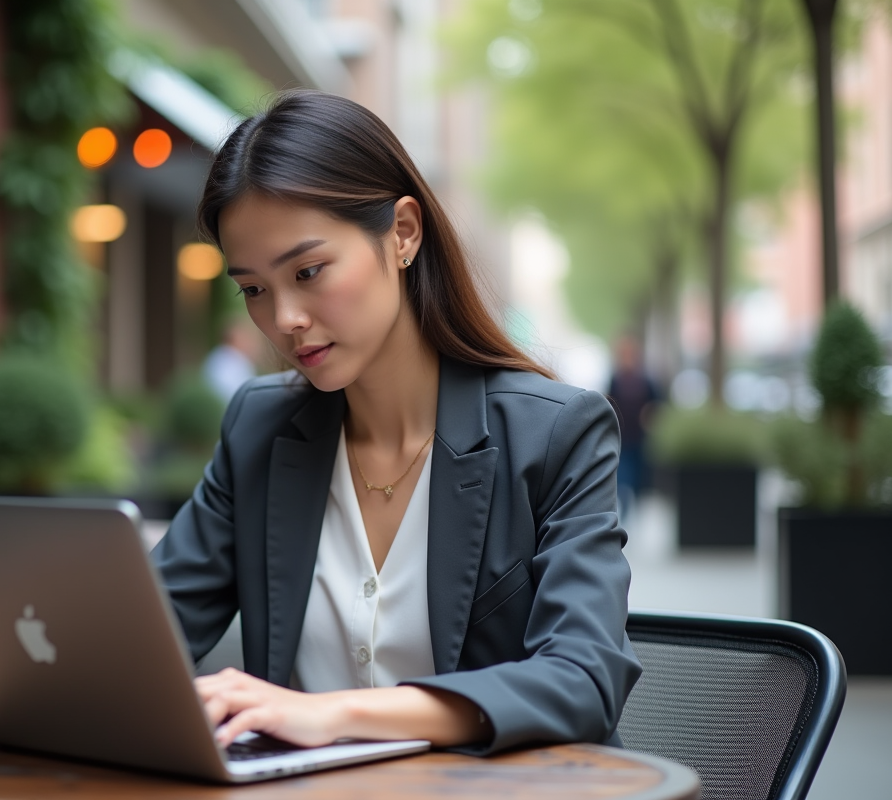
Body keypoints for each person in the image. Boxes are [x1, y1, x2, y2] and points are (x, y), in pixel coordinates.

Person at [151, 90, 640, 756]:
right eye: (255, 289)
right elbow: (142, 638)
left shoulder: (555, 434)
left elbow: (584, 679)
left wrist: (331, 714)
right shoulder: (258, 429)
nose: (285, 318)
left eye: (308, 271)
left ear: (403, 232)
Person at [606, 336, 662, 521]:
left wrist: (649, 414)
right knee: (623, 476)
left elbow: (657, 403)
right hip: (621, 436)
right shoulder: (616, 379)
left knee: (638, 477)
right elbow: (608, 403)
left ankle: (635, 509)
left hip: (640, 438)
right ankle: (626, 508)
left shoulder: (646, 380)